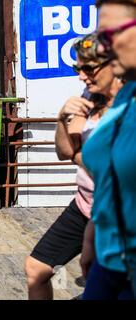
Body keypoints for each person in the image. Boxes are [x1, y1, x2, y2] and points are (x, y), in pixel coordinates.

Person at [24, 33, 122, 300]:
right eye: (77, 68)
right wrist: (62, 118)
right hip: (84, 206)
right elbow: (64, 152)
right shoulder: (91, 95)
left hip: (119, 216)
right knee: (36, 269)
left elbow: (116, 172)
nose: (81, 76)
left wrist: (83, 146)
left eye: (88, 68)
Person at [80, 0, 136, 300]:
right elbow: (110, 177)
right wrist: (92, 235)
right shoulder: (127, 94)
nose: (101, 49)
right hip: (109, 260)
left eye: (108, 35)